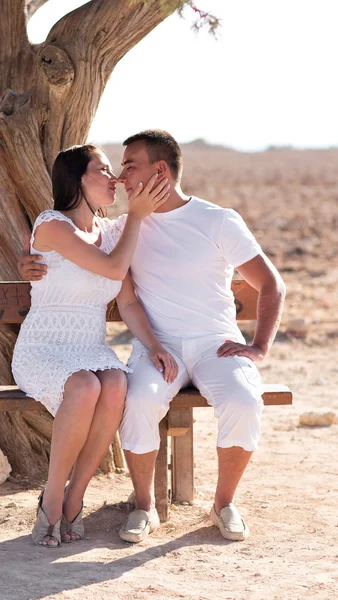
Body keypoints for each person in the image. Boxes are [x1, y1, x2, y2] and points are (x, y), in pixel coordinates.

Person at [19, 130, 286, 544]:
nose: (120, 178)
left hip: (207, 344)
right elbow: (67, 243)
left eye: (128, 166)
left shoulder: (203, 221)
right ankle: (137, 506)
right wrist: (28, 260)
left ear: (160, 171)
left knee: (237, 399)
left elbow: (270, 284)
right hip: (106, 348)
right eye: (112, 168)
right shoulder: (126, 227)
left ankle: (223, 503)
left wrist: (259, 346)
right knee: (130, 394)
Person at [12, 143, 178, 547]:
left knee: (116, 384)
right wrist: (135, 219)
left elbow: (127, 300)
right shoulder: (51, 224)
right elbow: (112, 267)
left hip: (90, 347)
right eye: (103, 171)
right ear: (77, 180)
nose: (115, 179)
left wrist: (153, 344)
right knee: (86, 385)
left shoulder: (113, 232)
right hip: (44, 348)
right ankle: (52, 499)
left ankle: (76, 495)